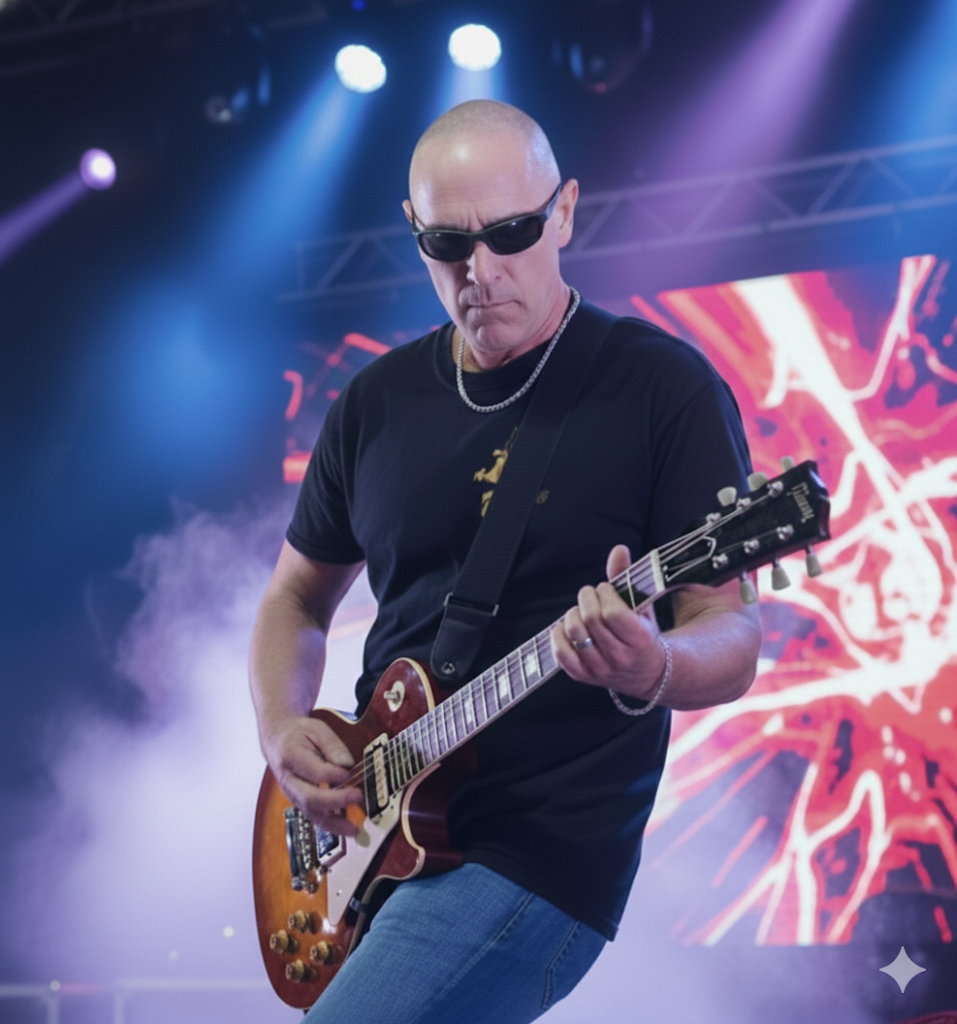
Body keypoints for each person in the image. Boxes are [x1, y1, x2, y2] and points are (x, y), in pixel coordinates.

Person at [249, 99, 762, 1024]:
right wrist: (281, 726)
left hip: (536, 853)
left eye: (511, 234)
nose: (479, 272)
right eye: (447, 244)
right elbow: (295, 595)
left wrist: (652, 666)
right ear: (413, 231)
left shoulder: (661, 389)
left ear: (563, 212)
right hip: (382, 829)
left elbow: (728, 630)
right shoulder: (374, 403)